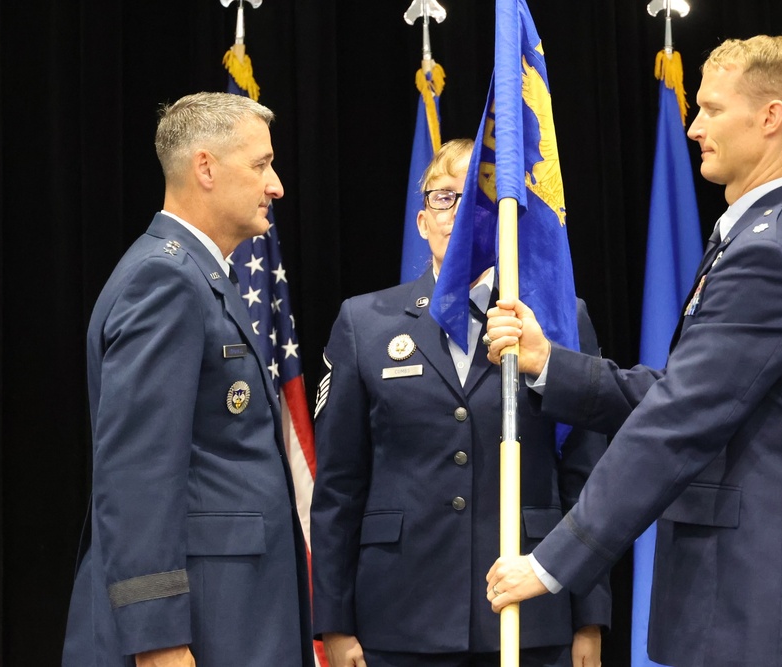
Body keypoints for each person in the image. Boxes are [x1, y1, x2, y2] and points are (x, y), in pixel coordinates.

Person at [483, 35, 782, 667]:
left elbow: (676, 422)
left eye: (711, 109)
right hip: (739, 596)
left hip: (760, 604)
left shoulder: (773, 254)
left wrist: (552, 562)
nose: (693, 127)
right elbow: (679, 395)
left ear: (770, 118)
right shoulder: (759, 243)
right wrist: (550, 363)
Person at [311, 138, 610, 667]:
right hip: (398, 620)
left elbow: (585, 478)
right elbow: (338, 487)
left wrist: (589, 617)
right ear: (423, 220)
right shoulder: (364, 323)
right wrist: (334, 623)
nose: (458, 213)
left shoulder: (558, 321)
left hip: (530, 617)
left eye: (479, 199)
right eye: (444, 198)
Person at [62, 92, 313, 667]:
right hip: (202, 623)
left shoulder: (198, 276)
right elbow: (138, 471)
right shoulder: (166, 280)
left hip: (235, 609)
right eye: (261, 165)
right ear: (205, 167)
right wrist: (157, 638)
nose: (275, 185)